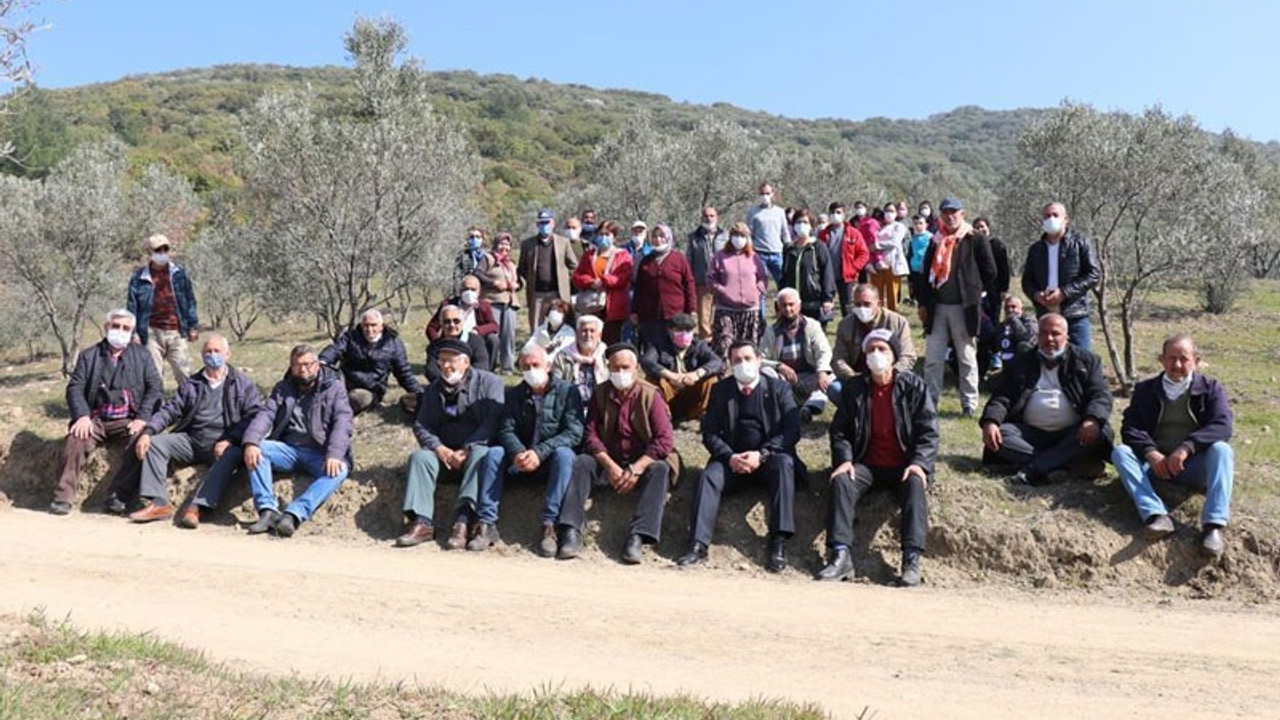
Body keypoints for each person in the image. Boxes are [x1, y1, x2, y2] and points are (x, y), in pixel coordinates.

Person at [818, 328, 938, 587]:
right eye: (870, 349)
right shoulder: (854, 389)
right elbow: (840, 431)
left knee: (916, 486)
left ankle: (911, 560)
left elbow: (928, 431)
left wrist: (919, 464)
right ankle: (840, 555)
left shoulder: (914, 387)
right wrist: (844, 460)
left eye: (881, 349)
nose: (875, 354)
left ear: (894, 355)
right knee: (841, 482)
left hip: (904, 465)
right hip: (866, 464)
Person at [677, 341, 800, 572]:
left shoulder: (778, 389)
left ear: (759, 360)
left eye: (747, 359)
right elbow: (709, 433)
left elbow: (792, 431)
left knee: (785, 464)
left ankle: (779, 542)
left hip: (768, 460)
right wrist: (730, 457)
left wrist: (762, 455)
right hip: (731, 461)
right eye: (736, 360)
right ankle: (697, 544)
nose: (742, 364)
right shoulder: (721, 390)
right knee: (708, 477)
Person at [1112, 335, 1233, 558]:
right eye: (1171, 358)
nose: (1177, 365)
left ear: (1196, 361)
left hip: (1193, 467)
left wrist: (1187, 448)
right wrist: (1151, 453)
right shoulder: (1146, 390)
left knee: (1222, 450)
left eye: (1184, 359)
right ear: (1161, 360)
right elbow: (1130, 428)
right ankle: (1156, 515)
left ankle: (1213, 526)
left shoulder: (1210, 388)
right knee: (1121, 452)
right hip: (1155, 468)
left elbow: (1222, 426)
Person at [556, 343, 677, 564]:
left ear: (636, 368)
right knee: (582, 462)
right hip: (610, 458)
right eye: (615, 368)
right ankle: (571, 531)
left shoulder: (651, 395)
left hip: (643, 460)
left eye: (625, 367)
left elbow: (664, 440)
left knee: (660, 468)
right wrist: (609, 465)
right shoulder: (600, 393)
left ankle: (638, 536)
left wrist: (636, 468)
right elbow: (590, 435)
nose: (620, 373)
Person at [126, 334, 262, 527]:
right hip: (191, 440)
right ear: (202, 354)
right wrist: (148, 431)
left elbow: (253, 415)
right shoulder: (192, 384)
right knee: (156, 444)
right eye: (208, 351)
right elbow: (171, 410)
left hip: (223, 443)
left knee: (230, 455)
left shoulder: (241, 384)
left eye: (217, 351)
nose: (212, 355)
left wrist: (231, 439)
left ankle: (196, 508)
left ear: (228, 355)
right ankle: (159, 503)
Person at [50, 309, 163, 516]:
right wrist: (82, 415)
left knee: (142, 443)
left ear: (132, 332)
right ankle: (63, 497)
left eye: (126, 328)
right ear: (106, 328)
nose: (120, 331)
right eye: (116, 326)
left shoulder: (143, 356)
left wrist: (143, 417)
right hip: (96, 420)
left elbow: (155, 388)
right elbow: (75, 387)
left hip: (129, 420)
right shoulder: (89, 356)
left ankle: (117, 496)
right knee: (75, 439)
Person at [395, 339, 505, 550]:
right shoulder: (434, 389)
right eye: (442, 361)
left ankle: (463, 522)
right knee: (420, 458)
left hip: (472, 453)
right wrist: (440, 449)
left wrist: (466, 449)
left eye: (450, 361)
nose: (445, 366)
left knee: (482, 453)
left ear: (466, 362)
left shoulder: (490, 382)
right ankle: (422, 523)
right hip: (444, 456)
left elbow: (491, 422)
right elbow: (422, 425)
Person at [476, 344, 585, 555]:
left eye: (536, 365)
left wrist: (540, 452)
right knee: (494, 453)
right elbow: (506, 428)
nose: (531, 370)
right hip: (521, 459)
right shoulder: (515, 394)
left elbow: (574, 433)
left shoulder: (568, 392)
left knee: (565, 455)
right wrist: (517, 452)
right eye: (526, 366)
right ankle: (486, 523)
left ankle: (549, 526)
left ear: (548, 365)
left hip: (549, 460)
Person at [979, 314, 1113, 486]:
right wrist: (991, 421)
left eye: (1055, 333)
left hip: (1073, 435)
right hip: (1031, 435)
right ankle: (1064, 465)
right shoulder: (1022, 360)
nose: (1049, 338)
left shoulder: (1087, 361)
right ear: (1037, 336)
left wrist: (1091, 419)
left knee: (1099, 431)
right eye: (1044, 333)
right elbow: (1002, 397)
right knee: (1002, 434)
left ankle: (1034, 469)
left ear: (1067, 336)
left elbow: (1100, 395)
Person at [241, 345, 354, 538]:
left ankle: (294, 514)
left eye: (308, 364)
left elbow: (343, 422)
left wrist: (334, 454)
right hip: (289, 450)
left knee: (340, 469)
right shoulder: (283, 388)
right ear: (291, 367)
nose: (303, 370)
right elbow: (265, 414)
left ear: (317, 365)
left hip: (320, 452)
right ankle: (267, 511)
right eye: (297, 365)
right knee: (259, 449)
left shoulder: (334, 388)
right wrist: (251, 442)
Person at [918, 197, 996, 416]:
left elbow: (990, 271)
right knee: (933, 358)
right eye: (945, 212)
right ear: (940, 215)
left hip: (964, 308)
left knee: (967, 356)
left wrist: (975, 292)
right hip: (938, 307)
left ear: (963, 213)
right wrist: (923, 302)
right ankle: (930, 402)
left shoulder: (975, 239)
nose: (950, 216)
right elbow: (926, 274)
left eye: (954, 212)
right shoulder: (935, 240)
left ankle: (969, 404)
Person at [1021, 202, 1100, 350]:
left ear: (1066, 219)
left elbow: (1093, 274)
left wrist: (1064, 292)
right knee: (1048, 360)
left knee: (1081, 361)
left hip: (1075, 314)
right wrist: (1037, 295)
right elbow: (1027, 281)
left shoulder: (1080, 243)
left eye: (1055, 215)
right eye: (1047, 216)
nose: (1051, 219)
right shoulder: (1035, 249)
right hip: (1045, 314)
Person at [126, 233, 199, 386]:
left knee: (184, 372)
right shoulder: (138, 278)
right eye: (158, 250)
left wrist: (192, 325)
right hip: (151, 332)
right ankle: (155, 408)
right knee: (154, 376)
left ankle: (190, 406)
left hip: (177, 332)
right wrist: (133, 333)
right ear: (150, 253)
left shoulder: (179, 274)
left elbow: (189, 299)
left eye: (165, 249)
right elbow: (132, 307)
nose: (162, 253)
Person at [319, 309, 420, 415]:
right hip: (346, 384)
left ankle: (331, 411)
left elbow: (403, 372)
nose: (369, 329)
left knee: (358, 398)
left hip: (370, 391)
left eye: (373, 325)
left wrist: (418, 392)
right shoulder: (350, 337)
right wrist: (323, 360)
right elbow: (335, 350)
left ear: (381, 326)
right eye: (366, 325)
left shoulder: (393, 343)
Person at [830, 284, 918, 400]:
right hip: (857, 378)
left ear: (879, 304)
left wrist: (891, 374)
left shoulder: (898, 322)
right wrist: (853, 378)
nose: (862, 308)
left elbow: (908, 355)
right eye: (857, 304)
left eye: (867, 304)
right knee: (834, 389)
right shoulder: (845, 325)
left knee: (912, 385)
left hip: (891, 377)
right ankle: (855, 414)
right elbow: (838, 359)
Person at [760, 288, 835, 423]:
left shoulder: (812, 326)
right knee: (765, 373)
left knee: (830, 376)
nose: (788, 309)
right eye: (784, 305)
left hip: (809, 377)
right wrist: (779, 366)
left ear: (799, 306)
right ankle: (784, 407)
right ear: (778, 307)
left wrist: (822, 372)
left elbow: (824, 351)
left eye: (791, 304)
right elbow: (759, 359)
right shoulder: (770, 331)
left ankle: (809, 408)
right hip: (784, 381)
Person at [640, 313, 723, 424]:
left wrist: (697, 374)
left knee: (711, 380)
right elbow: (647, 361)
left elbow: (717, 362)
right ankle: (662, 415)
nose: (684, 334)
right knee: (653, 380)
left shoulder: (699, 345)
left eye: (688, 330)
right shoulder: (658, 344)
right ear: (670, 330)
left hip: (691, 388)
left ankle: (700, 414)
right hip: (669, 390)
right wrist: (670, 375)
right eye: (679, 330)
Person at [708, 221, 769, 359]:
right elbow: (710, 280)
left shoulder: (754, 257)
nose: (738, 238)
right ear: (730, 237)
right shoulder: (720, 257)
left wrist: (756, 292)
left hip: (750, 311)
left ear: (747, 238)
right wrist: (723, 291)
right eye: (735, 235)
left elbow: (763, 278)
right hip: (726, 309)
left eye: (742, 235)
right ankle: (722, 376)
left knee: (748, 350)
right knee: (724, 347)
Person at [630, 223, 696, 351]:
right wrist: (634, 311)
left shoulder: (679, 259)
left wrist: (691, 309)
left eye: (662, 236)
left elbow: (689, 284)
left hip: (674, 312)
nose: (658, 239)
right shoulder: (646, 260)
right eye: (655, 236)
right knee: (651, 349)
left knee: (673, 348)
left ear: (668, 238)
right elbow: (639, 288)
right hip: (649, 314)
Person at [571, 221, 632, 344]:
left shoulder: (622, 255)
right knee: (591, 339)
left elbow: (623, 277)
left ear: (614, 237)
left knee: (611, 340)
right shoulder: (589, 255)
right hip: (592, 305)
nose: (603, 237)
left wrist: (604, 281)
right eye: (601, 234)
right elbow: (577, 275)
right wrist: (590, 282)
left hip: (613, 306)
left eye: (607, 234)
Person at [518, 209, 578, 331]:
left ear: (553, 223)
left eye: (547, 222)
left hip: (557, 293)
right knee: (536, 327)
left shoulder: (563, 242)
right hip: (537, 294)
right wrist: (531, 278)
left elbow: (573, 265)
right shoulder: (527, 244)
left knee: (560, 326)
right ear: (537, 225)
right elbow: (522, 268)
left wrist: (565, 279)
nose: (544, 226)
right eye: (541, 223)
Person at [425, 274, 499, 369]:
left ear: (479, 291)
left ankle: (488, 370)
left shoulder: (484, 306)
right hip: (452, 339)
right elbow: (431, 328)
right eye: (466, 289)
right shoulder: (447, 304)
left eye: (473, 289)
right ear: (460, 290)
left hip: (475, 341)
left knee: (493, 339)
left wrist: (477, 331)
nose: (469, 292)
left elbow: (494, 325)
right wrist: (438, 343)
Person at [780, 208, 836, 326]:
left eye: (805, 222)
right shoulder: (789, 249)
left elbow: (827, 273)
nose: (801, 225)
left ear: (811, 226)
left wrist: (828, 298)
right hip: (792, 304)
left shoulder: (818, 247)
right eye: (798, 222)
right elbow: (784, 275)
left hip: (813, 303)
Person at [477, 232, 522, 375]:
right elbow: (478, 273)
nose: (505, 247)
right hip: (492, 301)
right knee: (492, 335)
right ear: (496, 244)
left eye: (507, 244)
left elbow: (519, 281)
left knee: (508, 336)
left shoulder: (511, 263)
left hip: (510, 303)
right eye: (502, 243)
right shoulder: (488, 258)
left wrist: (517, 285)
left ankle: (507, 367)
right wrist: (494, 283)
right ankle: (490, 365)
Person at [818, 202, 870, 317]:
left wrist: (853, 267)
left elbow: (864, 254)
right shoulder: (823, 234)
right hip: (827, 276)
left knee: (847, 306)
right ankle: (824, 330)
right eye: (832, 213)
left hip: (846, 276)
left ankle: (849, 330)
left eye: (838, 212)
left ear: (844, 214)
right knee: (825, 304)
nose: (835, 215)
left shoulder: (853, 233)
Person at [686, 206, 728, 340]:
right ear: (701, 218)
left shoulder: (725, 236)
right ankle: (707, 345)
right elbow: (689, 260)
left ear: (717, 217)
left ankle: (723, 343)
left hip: (723, 283)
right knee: (704, 318)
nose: (708, 218)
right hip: (702, 283)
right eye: (705, 216)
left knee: (723, 316)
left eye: (711, 215)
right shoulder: (693, 238)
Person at [551, 314, 609, 411]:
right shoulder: (562, 356)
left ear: (599, 335)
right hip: (571, 408)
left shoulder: (608, 356)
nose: (588, 335)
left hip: (600, 409)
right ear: (577, 334)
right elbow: (556, 386)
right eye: (584, 331)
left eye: (592, 331)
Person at [424, 305, 491, 383]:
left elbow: (481, 366)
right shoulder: (435, 345)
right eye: (447, 321)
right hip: (442, 385)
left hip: (470, 384)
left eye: (456, 321)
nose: (452, 325)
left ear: (463, 322)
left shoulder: (476, 341)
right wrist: (446, 382)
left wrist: (461, 381)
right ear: (441, 324)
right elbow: (431, 370)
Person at [745, 181, 789, 286]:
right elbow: (748, 233)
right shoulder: (753, 211)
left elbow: (785, 232)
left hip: (778, 253)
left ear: (772, 194)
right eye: (762, 193)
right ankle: (761, 303)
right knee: (761, 285)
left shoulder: (780, 212)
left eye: (767, 193)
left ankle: (782, 302)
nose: (765, 196)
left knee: (783, 283)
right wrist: (750, 250)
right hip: (760, 253)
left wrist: (789, 247)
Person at [972, 217, 1010, 329]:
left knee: (994, 316)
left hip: (995, 288)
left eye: (982, 226)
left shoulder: (997, 245)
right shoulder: (972, 246)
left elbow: (1004, 268)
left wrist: (1004, 288)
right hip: (978, 288)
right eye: (977, 227)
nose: (980, 229)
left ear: (988, 228)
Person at [871, 203, 909, 312]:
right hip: (877, 267)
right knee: (877, 295)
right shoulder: (879, 226)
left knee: (892, 295)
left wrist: (877, 245)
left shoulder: (899, 226)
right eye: (887, 211)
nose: (889, 214)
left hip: (892, 266)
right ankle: (878, 317)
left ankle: (892, 319)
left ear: (896, 213)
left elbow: (894, 242)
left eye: (892, 211)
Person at [984, 295, 1036, 373]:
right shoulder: (1002, 326)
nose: (1010, 310)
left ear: (1021, 308)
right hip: (1007, 364)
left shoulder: (1030, 321)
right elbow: (997, 345)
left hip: (1025, 362)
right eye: (1007, 307)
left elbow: (1026, 337)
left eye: (1013, 307)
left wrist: (1013, 320)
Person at [451, 226, 489, 297]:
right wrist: (457, 294)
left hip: (486, 292)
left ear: (483, 239)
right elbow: (457, 276)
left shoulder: (488, 256)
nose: (474, 239)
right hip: (468, 290)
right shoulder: (462, 255)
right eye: (472, 237)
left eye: (478, 237)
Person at [852, 201, 881, 284]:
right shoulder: (853, 222)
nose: (859, 209)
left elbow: (875, 236)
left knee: (872, 279)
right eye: (857, 207)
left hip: (871, 252)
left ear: (866, 208)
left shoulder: (872, 222)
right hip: (857, 253)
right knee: (862, 279)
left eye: (861, 207)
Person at [905, 214, 932, 303]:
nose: (918, 226)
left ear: (926, 224)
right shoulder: (913, 238)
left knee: (925, 295)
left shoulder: (931, 238)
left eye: (920, 223)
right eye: (916, 223)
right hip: (914, 270)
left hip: (925, 270)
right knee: (917, 293)